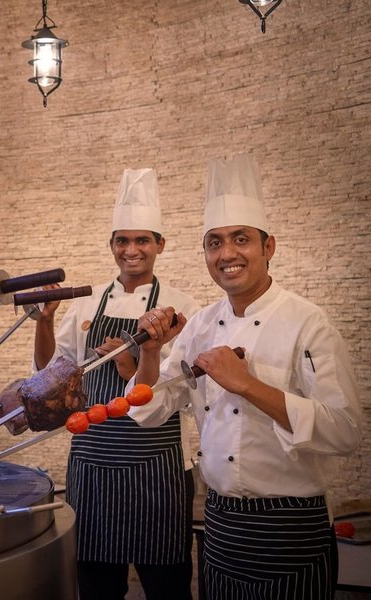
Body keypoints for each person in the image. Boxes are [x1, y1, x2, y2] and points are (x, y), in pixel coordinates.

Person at [128, 154, 362, 599]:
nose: (227, 254)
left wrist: (247, 385)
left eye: (241, 239)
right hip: (220, 526)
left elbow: (345, 431)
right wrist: (151, 352)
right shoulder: (200, 325)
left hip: (291, 527)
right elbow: (148, 411)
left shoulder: (308, 323)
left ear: (268, 247)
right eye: (214, 243)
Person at [34, 168, 200, 600]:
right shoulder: (87, 303)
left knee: (167, 586)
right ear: (111, 245)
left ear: (160, 244)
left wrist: (132, 365)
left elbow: (189, 388)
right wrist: (45, 322)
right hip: (93, 463)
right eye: (121, 241)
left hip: (158, 468)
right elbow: (49, 375)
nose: (131, 250)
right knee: (96, 586)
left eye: (142, 240)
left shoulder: (183, 306)